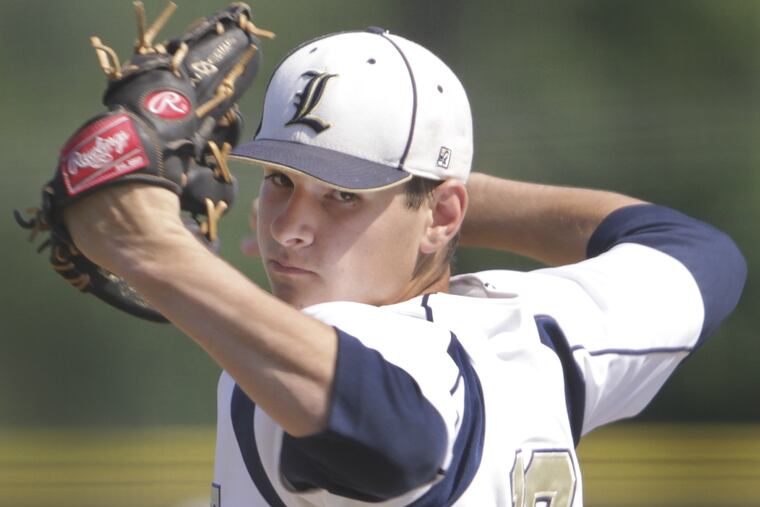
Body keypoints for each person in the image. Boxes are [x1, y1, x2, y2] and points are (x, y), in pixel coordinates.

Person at [63, 28, 746, 506]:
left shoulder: (342, 349)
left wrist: (153, 248)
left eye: (342, 197)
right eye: (279, 181)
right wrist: (422, 201)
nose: (291, 228)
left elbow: (398, 438)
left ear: (445, 215)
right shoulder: (545, 326)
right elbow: (694, 251)